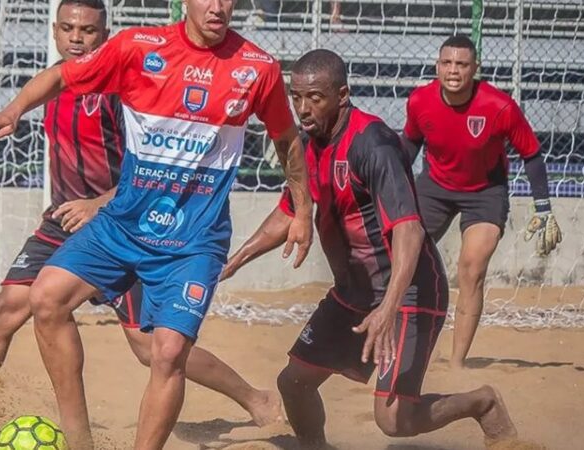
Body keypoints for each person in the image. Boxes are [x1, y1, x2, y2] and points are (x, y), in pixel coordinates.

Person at [0, 0, 314, 447]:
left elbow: (286, 139)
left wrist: (303, 210)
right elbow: (59, 76)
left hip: (192, 240)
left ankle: (243, 404)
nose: (219, 6)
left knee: (165, 353)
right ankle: (79, 441)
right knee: (45, 298)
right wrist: (12, 112)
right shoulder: (137, 48)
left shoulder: (256, 67)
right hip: (122, 226)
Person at [223, 48, 518, 449]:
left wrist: (389, 308)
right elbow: (289, 212)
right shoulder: (308, 146)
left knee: (395, 420)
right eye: (296, 97)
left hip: (410, 292)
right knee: (293, 383)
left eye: (315, 97)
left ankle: (482, 404)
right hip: (353, 294)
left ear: (342, 95)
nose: (303, 109)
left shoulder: (373, 142)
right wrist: (232, 263)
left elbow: (410, 232)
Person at [401, 35, 562, 369]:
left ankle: (457, 364)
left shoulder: (499, 106)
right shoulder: (419, 101)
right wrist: (390, 189)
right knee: (402, 255)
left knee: (471, 269)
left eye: (462, 64)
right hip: (434, 186)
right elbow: (410, 145)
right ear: (437, 67)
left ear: (475, 68)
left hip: (485, 192)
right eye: (447, 63)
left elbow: (531, 155)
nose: (454, 70)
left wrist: (543, 206)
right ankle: (404, 344)